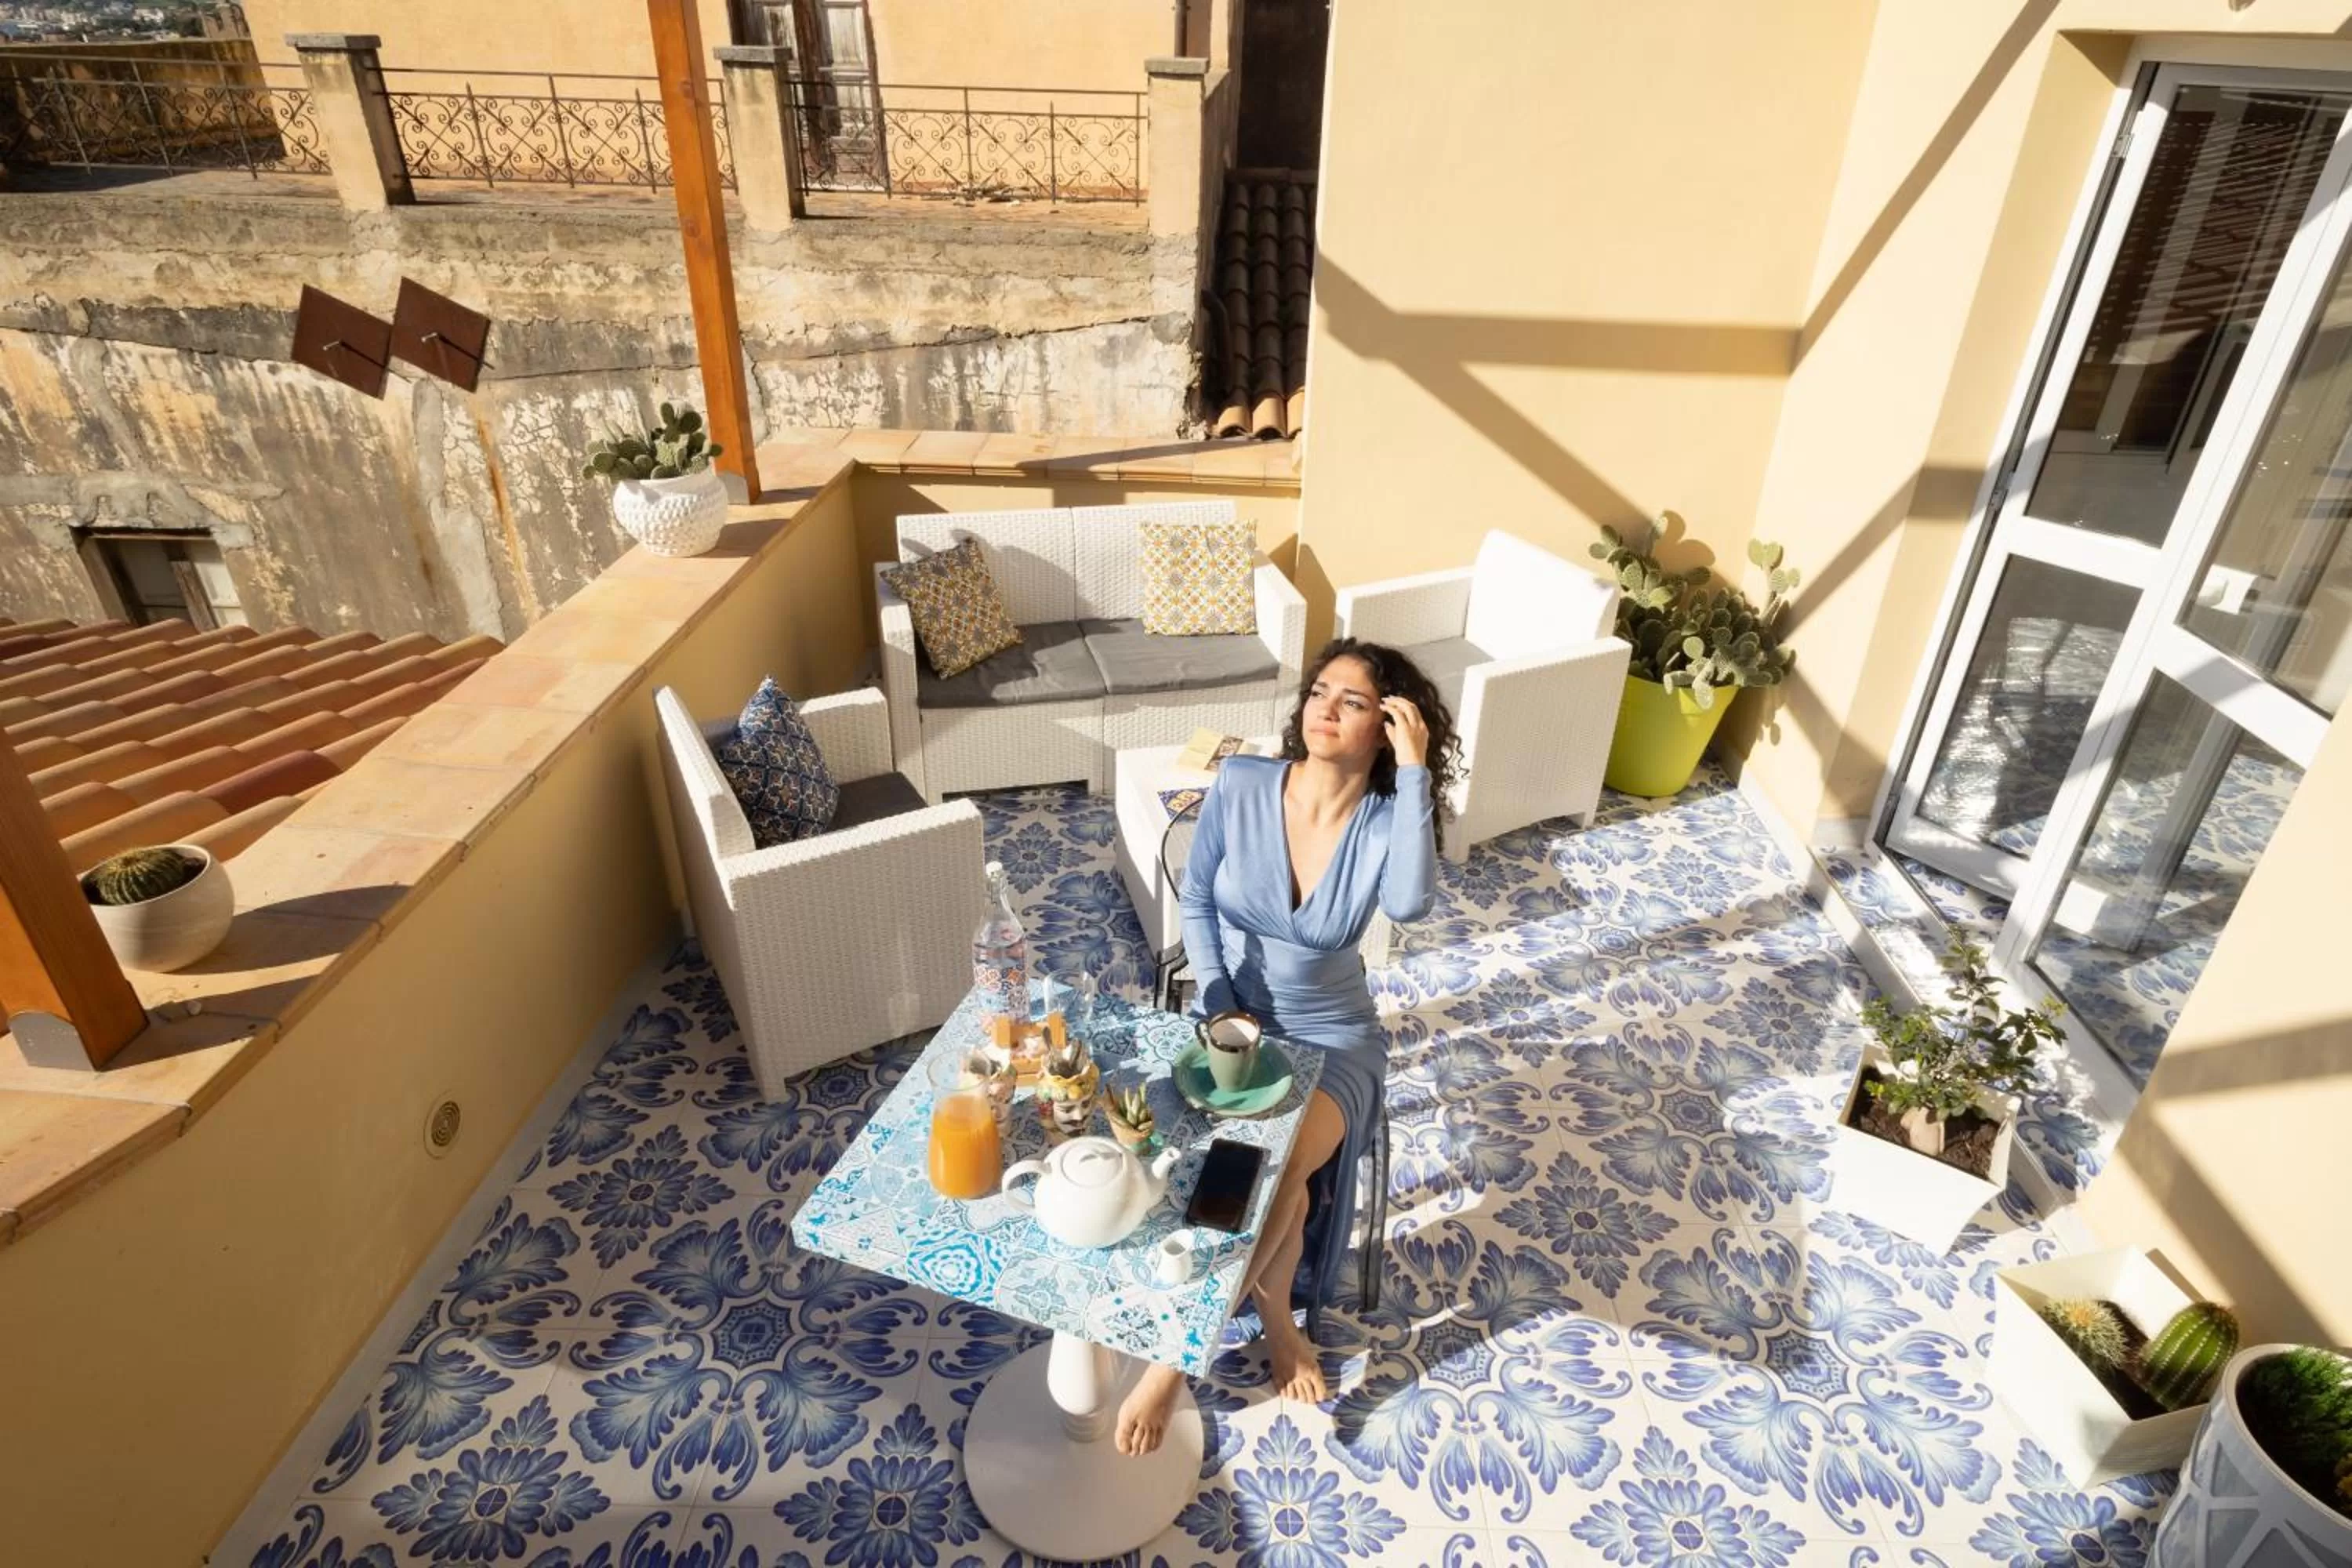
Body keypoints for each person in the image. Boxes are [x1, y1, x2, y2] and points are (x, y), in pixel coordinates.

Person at [1116, 637, 1460, 1456]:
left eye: (1351, 700)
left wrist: (1414, 773)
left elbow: (1410, 903)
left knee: (1275, 1166)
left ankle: (1178, 1352)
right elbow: (1196, 898)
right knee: (1269, 1179)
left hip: (1335, 1033)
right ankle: (1278, 1322)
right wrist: (1221, 999)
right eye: (1319, 690)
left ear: (1389, 724)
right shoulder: (1241, 784)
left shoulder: (1383, 817)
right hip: (1237, 1016)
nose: (1324, 708)